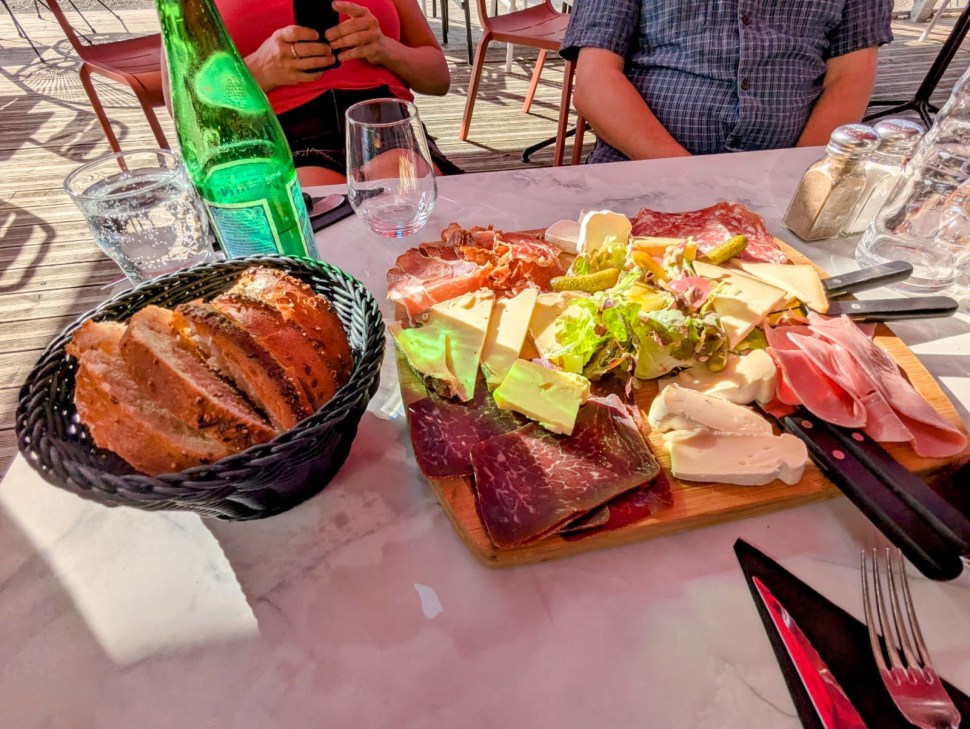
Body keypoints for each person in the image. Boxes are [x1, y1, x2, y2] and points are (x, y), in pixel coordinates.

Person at [560, 0, 894, 163]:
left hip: (790, 179)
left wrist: (799, 175)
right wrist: (692, 177)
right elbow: (595, 80)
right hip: (639, 167)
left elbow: (850, 75)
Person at [213, 0, 460, 184]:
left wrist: (386, 48)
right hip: (278, 131)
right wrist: (258, 70)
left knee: (404, 184)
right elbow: (185, 106)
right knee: (313, 206)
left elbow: (438, 78)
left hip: (385, 121)